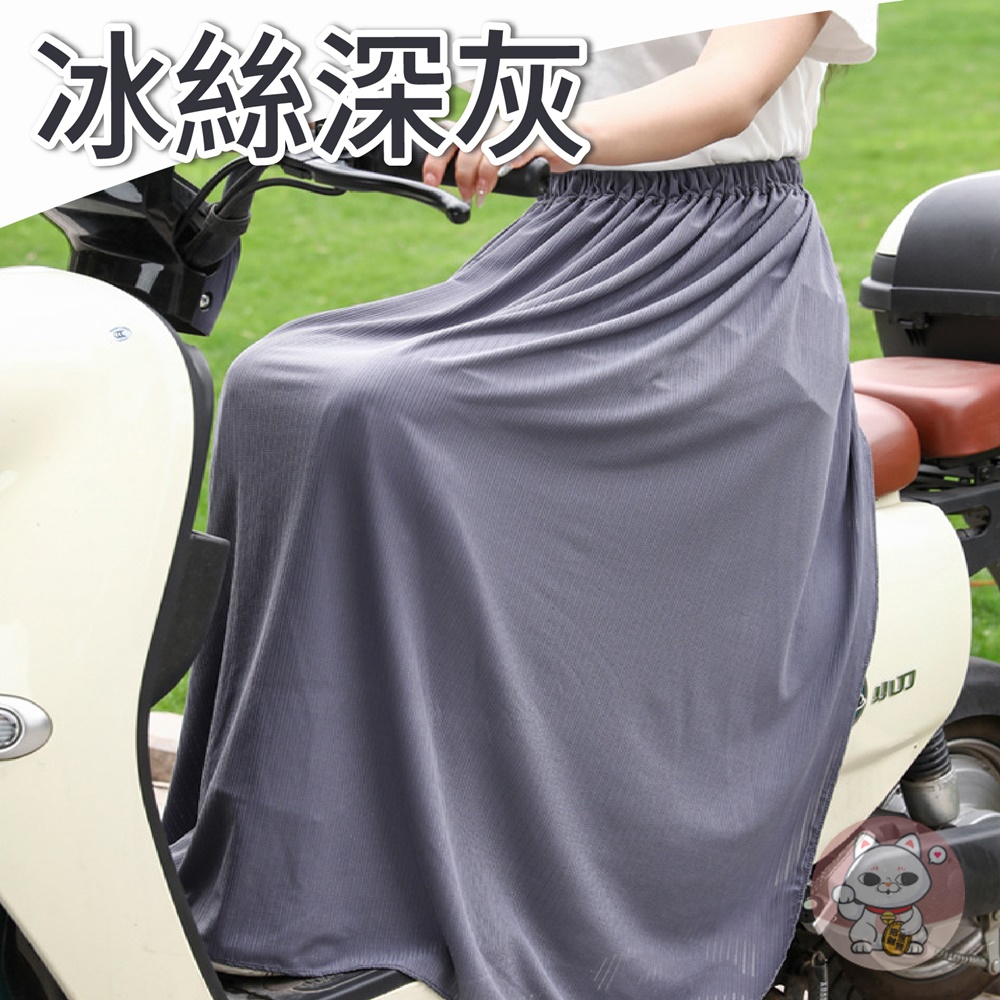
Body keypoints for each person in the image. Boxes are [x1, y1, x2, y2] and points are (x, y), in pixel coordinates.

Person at [165, 9, 880, 1000]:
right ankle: (297, 847)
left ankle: (372, 882)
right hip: (577, 240)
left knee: (378, 408)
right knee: (277, 384)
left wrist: (536, 136)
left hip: (719, 273)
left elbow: (726, 95)